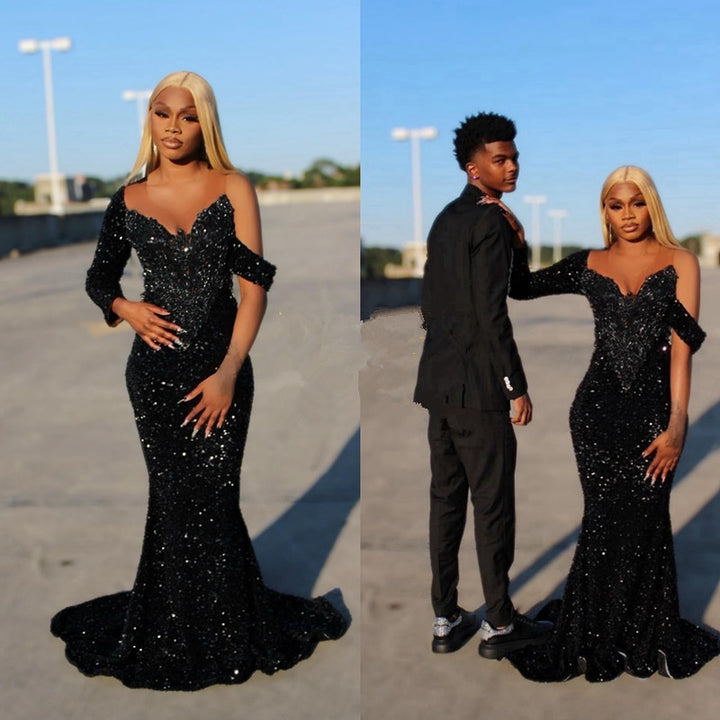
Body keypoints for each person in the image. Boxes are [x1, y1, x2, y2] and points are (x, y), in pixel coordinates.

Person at [50, 71, 346, 691]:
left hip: (222, 366)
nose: (174, 127)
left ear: (204, 122)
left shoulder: (233, 186)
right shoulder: (129, 198)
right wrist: (125, 309)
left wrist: (228, 371)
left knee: (214, 495)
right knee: (173, 498)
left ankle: (226, 623)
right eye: (162, 113)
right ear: (149, 119)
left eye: (187, 116)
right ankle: (172, 626)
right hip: (153, 373)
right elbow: (99, 278)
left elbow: (253, 291)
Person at [490, 165, 719, 681]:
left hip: (654, 414)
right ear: (605, 212)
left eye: (636, 203)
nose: (627, 215)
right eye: (616, 206)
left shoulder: (681, 262)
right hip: (594, 413)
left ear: (650, 206)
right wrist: (518, 242)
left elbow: (682, 351)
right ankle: (594, 631)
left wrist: (678, 423)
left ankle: (643, 629)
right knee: (603, 521)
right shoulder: (588, 263)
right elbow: (521, 288)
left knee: (647, 519)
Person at [413, 112, 552, 657]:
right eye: (500, 159)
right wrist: (514, 385)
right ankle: (499, 623)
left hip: (439, 386)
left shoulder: (445, 219)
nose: (511, 166)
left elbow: (433, 304)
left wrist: (517, 239)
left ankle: (445, 618)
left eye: (514, 157)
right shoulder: (489, 223)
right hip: (479, 391)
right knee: (493, 507)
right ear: (475, 168)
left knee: (445, 503)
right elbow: (496, 310)